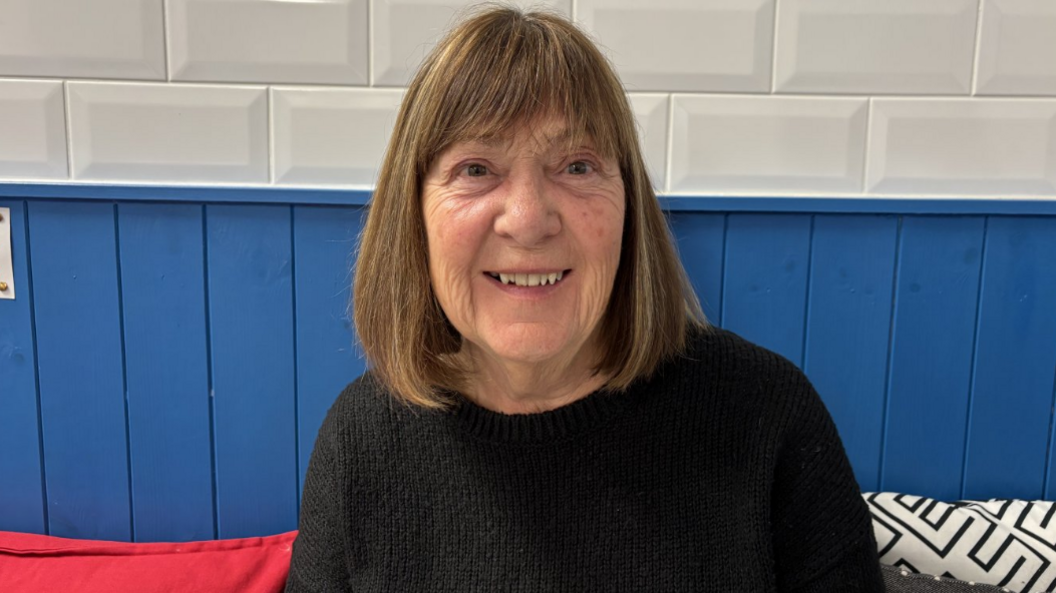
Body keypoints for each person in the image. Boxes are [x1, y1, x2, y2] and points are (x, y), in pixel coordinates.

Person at [286, 5, 885, 592]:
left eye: (576, 165)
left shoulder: (768, 415)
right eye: (475, 168)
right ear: (412, 213)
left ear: (629, 209)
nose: (527, 219)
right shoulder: (360, 443)